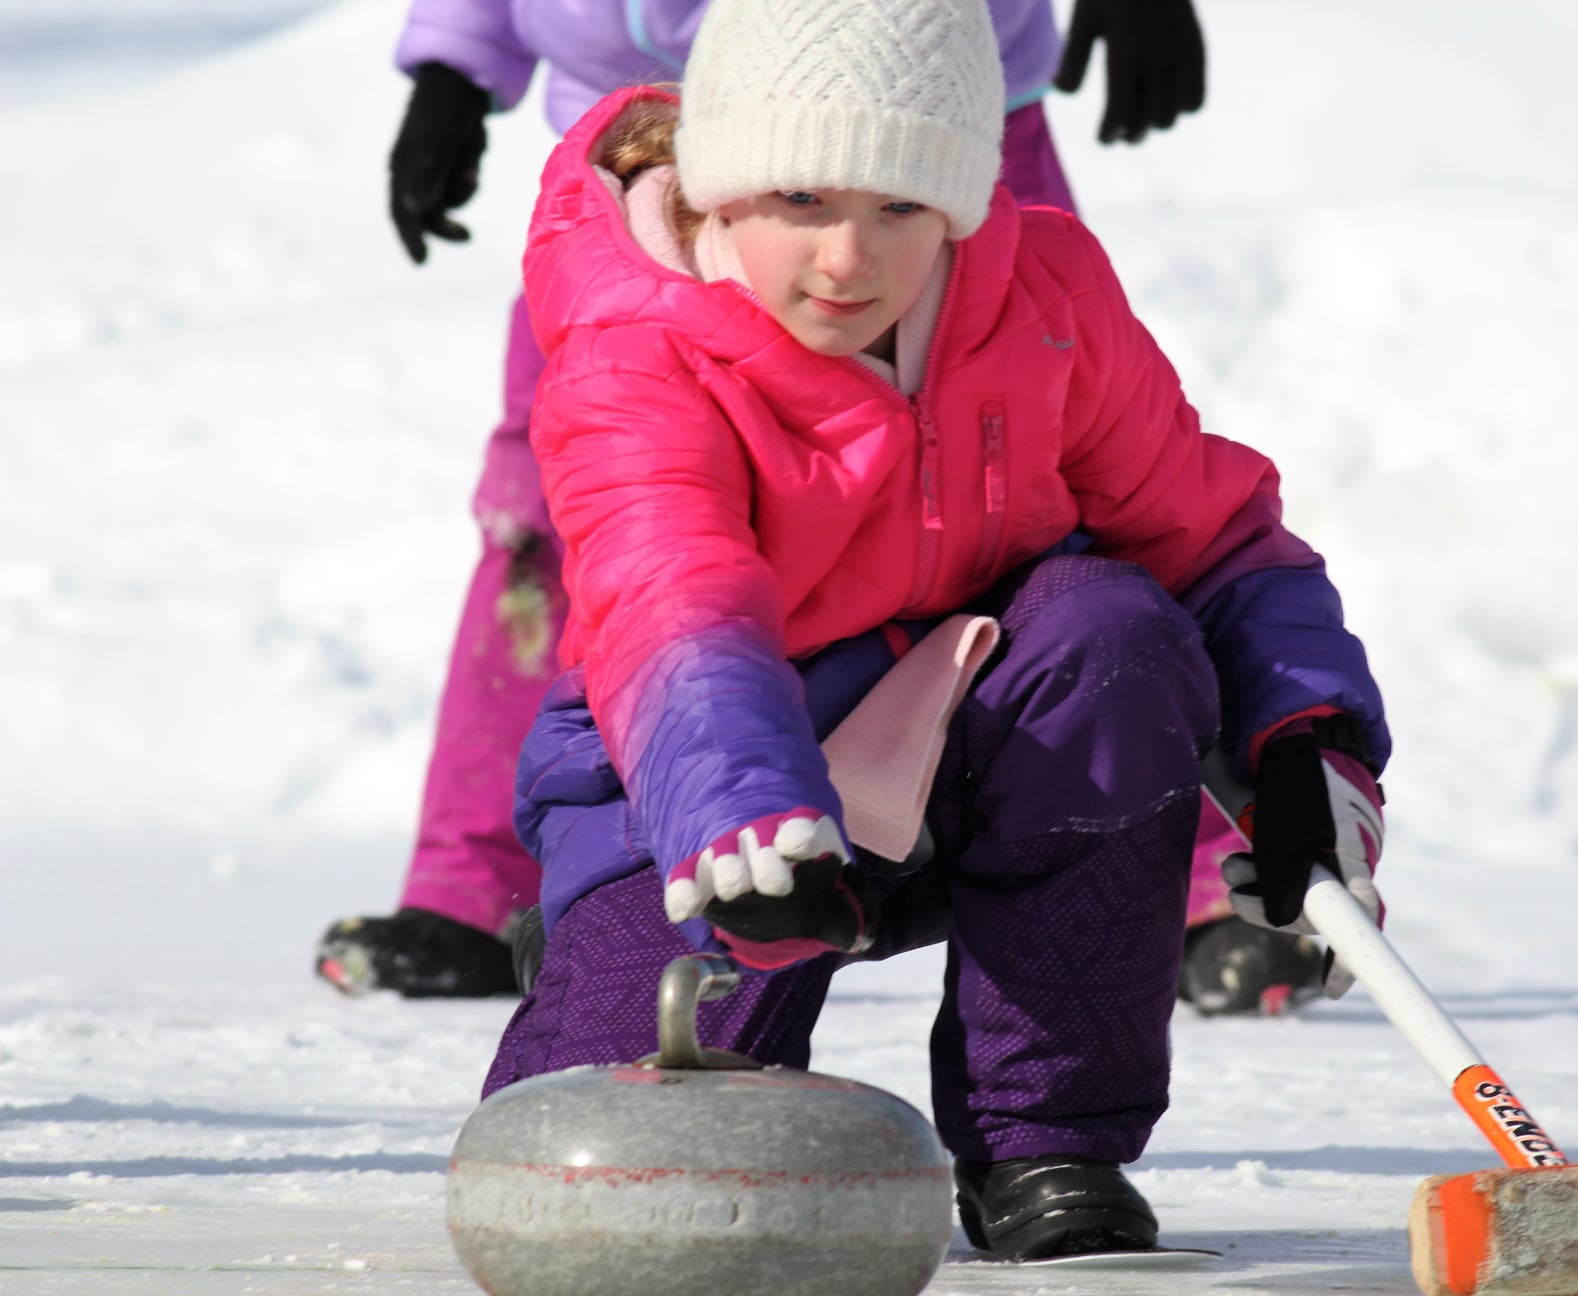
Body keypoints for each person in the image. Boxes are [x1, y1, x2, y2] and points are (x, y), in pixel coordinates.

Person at [484, 0, 1390, 1259]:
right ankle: (600, 937)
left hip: (973, 741)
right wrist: (738, 812)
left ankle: (1046, 1145)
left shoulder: (1042, 295)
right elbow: (671, 601)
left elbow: (1214, 535)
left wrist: (1309, 743)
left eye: (903, 207)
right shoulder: (633, 347)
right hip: (708, 778)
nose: (850, 259)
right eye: (803, 198)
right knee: (631, 1180)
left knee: (1111, 631)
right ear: (720, 190)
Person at [315, 0, 1327, 1016]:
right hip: (668, 159)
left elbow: (1188, 526)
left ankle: (1212, 877)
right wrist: (459, 58)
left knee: (1048, 513)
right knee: (588, 514)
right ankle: (489, 880)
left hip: (936, 113)